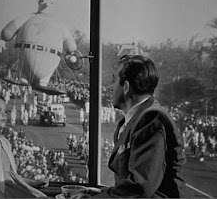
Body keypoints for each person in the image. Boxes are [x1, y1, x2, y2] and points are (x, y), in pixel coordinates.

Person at [74, 55, 186, 198]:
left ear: (126, 87)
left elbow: (139, 188)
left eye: (114, 81)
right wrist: (101, 193)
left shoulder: (151, 120)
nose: (110, 87)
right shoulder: (136, 120)